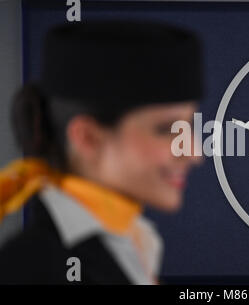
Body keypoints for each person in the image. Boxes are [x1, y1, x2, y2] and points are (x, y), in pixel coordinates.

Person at [0, 20, 203, 284]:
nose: (195, 153)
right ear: (88, 138)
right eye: (166, 129)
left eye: (189, 128)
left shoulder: (133, 242)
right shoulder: (31, 271)